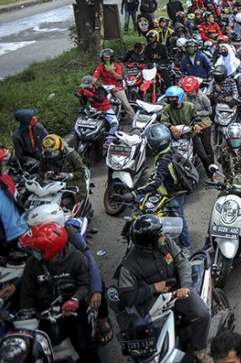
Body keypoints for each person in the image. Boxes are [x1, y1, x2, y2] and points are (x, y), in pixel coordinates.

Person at [117, 215, 213, 363]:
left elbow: (182, 262)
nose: (164, 236)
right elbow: (126, 297)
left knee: (202, 313)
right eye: (160, 235)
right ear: (149, 243)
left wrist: (185, 287)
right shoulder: (128, 266)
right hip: (151, 306)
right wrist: (152, 288)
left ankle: (198, 350)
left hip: (176, 293)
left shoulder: (166, 242)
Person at [18, 223, 100, 362]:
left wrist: (75, 300)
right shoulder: (32, 265)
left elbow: (85, 284)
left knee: (85, 347)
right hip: (45, 313)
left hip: (74, 310)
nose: (34, 252)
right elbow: (27, 294)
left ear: (49, 249)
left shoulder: (76, 258)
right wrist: (26, 320)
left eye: (38, 249)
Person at [161, 84, 216, 179]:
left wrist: (196, 125)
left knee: (203, 156)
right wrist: (171, 127)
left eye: (174, 98)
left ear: (180, 97)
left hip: (190, 135)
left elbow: (196, 118)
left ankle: (211, 176)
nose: (171, 100)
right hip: (175, 137)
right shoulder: (167, 109)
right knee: (165, 157)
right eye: (170, 98)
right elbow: (164, 121)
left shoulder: (189, 106)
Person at [39, 134, 87, 210]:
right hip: (52, 186)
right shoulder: (44, 156)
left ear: (61, 149)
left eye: (55, 152)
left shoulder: (72, 155)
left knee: (62, 206)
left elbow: (82, 172)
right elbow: (40, 172)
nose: (52, 155)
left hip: (72, 185)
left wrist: (68, 175)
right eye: (48, 153)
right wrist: (46, 175)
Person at [93, 47, 135, 119]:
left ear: (111, 58)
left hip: (117, 87)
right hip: (105, 88)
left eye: (107, 58)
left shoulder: (117, 66)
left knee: (126, 104)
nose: (106, 59)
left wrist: (112, 71)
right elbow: (95, 77)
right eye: (104, 58)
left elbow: (119, 77)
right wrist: (92, 83)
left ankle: (135, 120)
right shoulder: (100, 67)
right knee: (96, 101)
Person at [76, 75, 119, 145]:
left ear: (92, 84)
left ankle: (109, 142)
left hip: (105, 108)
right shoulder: (85, 91)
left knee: (115, 124)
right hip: (94, 110)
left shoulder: (100, 88)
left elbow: (101, 100)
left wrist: (91, 95)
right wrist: (80, 97)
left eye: (87, 85)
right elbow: (84, 103)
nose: (86, 87)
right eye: (84, 86)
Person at [181, 76, 214, 162]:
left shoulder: (203, 97)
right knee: (193, 145)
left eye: (191, 91)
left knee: (206, 145)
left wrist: (197, 114)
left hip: (204, 122)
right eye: (187, 92)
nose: (189, 94)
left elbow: (209, 111)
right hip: (191, 123)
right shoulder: (185, 97)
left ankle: (211, 167)